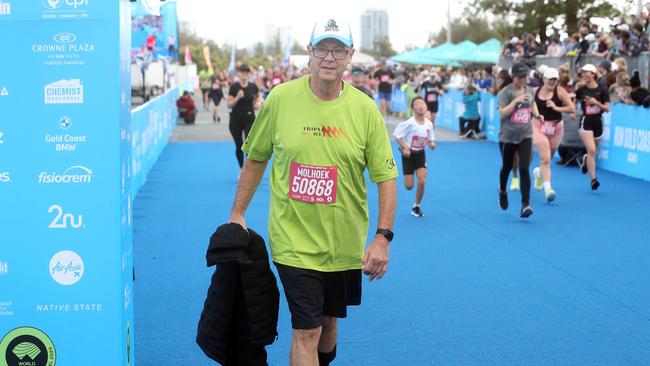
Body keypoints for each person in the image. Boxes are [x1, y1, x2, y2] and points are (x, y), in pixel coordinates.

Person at [228, 18, 397, 366]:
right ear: (309, 52)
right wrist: (237, 213)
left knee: (327, 324)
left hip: (343, 244)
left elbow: (386, 176)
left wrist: (383, 237)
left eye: (338, 49)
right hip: (293, 241)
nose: (329, 57)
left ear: (350, 55)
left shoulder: (365, 109)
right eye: (322, 48)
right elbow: (256, 157)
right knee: (305, 330)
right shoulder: (281, 98)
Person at [497, 62, 541, 218]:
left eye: (525, 77)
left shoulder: (529, 90)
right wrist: (515, 102)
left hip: (525, 135)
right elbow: (502, 114)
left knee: (524, 168)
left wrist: (536, 115)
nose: (523, 79)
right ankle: (502, 190)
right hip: (508, 136)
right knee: (507, 167)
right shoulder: (505, 92)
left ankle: (525, 204)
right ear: (513, 76)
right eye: (520, 77)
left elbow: (532, 104)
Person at [531, 68, 575, 202]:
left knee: (547, 159)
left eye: (555, 79)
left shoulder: (560, 91)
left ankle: (539, 173)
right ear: (543, 79)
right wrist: (537, 114)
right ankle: (548, 190)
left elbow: (571, 108)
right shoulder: (534, 91)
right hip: (538, 127)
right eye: (550, 79)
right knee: (545, 158)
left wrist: (556, 108)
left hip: (556, 128)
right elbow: (527, 105)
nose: (552, 82)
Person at [393, 97, 436, 217]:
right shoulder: (409, 123)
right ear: (413, 109)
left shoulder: (429, 124)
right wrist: (405, 147)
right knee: (409, 186)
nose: (420, 106)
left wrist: (432, 143)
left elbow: (431, 138)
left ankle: (416, 206)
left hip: (421, 154)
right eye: (417, 104)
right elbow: (397, 135)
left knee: (422, 181)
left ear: (426, 106)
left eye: (422, 103)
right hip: (408, 155)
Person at [575, 64, 610, 190]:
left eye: (586, 72)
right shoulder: (581, 90)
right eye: (582, 72)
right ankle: (593, 180)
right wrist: (572, 112)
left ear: (593, 74)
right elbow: (573, 101)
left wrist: (596, 103)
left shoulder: (603, 90)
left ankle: (586, 159)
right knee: (592, 150)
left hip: (598, 122)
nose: (583, 75)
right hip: (586, 121)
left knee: (592, 152)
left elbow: (607, 108)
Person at [227, 64, 261, 170]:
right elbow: (229, 104)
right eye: (243, 71)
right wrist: (237, 97)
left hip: (249, 118)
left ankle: (248, 170)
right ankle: (241, 169)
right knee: (239, 146)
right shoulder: (234, 87)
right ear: (239, 73)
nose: (245, 73)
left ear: (249, 74)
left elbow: (258, 97)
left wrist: (257, 103)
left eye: (247, 72)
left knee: (248, 145)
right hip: (236, 119)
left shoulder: (252, 86)